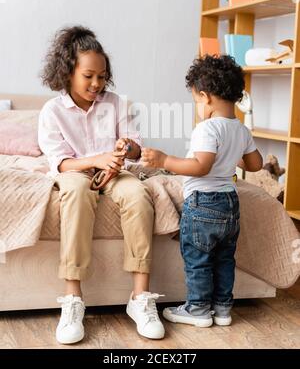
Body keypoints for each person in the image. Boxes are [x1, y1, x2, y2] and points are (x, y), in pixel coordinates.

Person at [38, 26, 165, 344]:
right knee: (77, 193)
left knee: (138, 193)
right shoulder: (52, 111)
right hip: (76, 171)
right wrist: (97, 159)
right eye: (88, 76)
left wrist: (126, 148)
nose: (97, 84)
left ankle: (140, 298)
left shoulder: (118, 104)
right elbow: (59, 162)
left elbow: (137, 150)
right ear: (68, 72)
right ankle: (72, 299)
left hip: (115, 171)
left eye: (102, 76)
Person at [141, 55, 263, 328]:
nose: (197, 105)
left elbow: (200, 166)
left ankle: (197, 309)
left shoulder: (207, 128)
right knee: (224, 259)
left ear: (206, 97)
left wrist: (164, 161)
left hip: (203, 203)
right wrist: (235, 152)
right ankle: (222, 309)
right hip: (230, 204)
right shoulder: (240, 129)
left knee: (198, 259)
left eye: (196, 100)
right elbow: (256, 164)